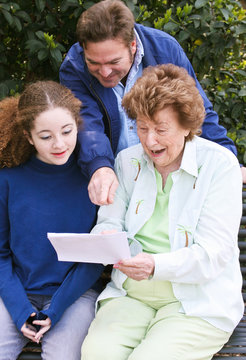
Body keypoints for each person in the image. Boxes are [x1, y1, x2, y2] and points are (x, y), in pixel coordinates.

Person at [81, 64, 244, 360]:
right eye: (142, 128)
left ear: (187, 125)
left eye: (161, 129)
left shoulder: (220, 165)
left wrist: (155, 266)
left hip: (195, 301)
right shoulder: (127, 161)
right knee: (96, 355)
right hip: (131, 296)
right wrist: (105, 238)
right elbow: (109, 221)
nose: (150, 140)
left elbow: (213, 253)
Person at [59, 0, 246, 206]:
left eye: (114, 62)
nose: (104, 72)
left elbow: (195, 109)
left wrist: (227, 159)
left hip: (166, 174)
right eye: (93, 62)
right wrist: (100, 167)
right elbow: (87, 125)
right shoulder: (74, 66)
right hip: (112, 179)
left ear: (132, 46)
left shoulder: (164, 49)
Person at [0, 81, 104, 360]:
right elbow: (0, 255)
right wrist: (21, 310)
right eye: (45, 136)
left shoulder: (94, 180)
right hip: (16, 294)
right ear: (29, 136)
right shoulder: (8, 180)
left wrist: (55, 309)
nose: (59, 144)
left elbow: (94, 258)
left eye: (67, 132)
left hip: (75, 297)